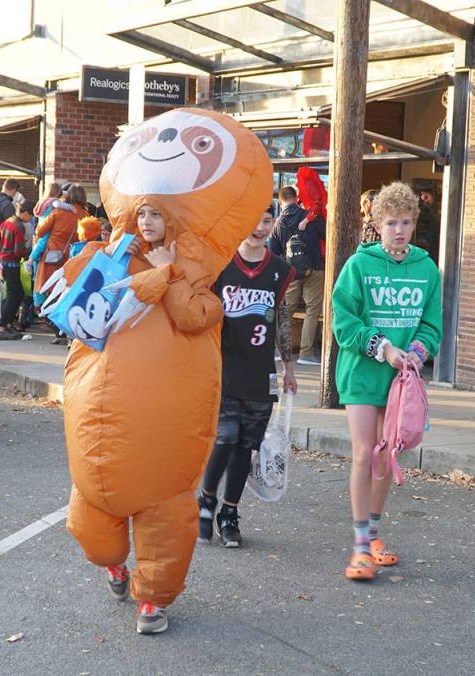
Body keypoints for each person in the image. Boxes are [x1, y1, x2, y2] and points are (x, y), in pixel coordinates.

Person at [58, 109, 271, 635]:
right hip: (98, 410)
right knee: (92, 521)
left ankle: (152, 600)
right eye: (143, 213)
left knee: (164, 514)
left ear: (172, 224)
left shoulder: (195, 278)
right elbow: (74, 304)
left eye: (158, 215)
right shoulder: (109, 259)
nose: (148, 222)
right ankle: (111, 564)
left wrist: (166, 276)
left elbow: (196, 317)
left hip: (163, 426)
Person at [331, 181, 442, 580]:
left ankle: (374, 533)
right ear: (377, 225)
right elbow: (344, 323)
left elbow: (432, 325)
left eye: (406, 222)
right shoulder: (359, 266)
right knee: (364, 453)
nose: (399, 229)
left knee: (385, 457)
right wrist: (383, 348)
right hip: (362, 373)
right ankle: (359, 545)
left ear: (414, 224)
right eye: (391, 222)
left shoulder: (427, 269)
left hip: (400, 382)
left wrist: (416, 352)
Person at [198, 205, 297, 548]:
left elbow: (282, 320)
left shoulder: (279, 270)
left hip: (260, 372)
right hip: (224, 367)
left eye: (267, 220)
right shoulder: (220, 266)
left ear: (274, 223)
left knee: (245, 446)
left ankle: (229, 512)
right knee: (224, 437)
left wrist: (289, 367)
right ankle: (207, 498)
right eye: (252, 220)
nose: (259, 227)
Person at [268, 185, 327, 366]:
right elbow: (327, 234)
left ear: (281, 200)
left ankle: (279, 350)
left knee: (286, 311)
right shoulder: (308, 216)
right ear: (296, 197)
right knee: (312, 310)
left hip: (290, 272)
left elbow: (272, 251)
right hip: (315, 268)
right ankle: (306, 354)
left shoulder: (277, 223)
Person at [33, 184, 88, 298]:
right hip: (72, 258)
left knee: (48, 289)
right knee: (65, 291)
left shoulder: (58, 212)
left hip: (51, 257)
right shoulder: (85, 215)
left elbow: (39, 232)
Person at [0, 199, 33, 340]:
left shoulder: (7, 221)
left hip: (3, 261)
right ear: (26, 213)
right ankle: (3, 325)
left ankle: (8, 323)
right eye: (30, 215)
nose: (30, 219)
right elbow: (18, 250)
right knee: (15, 294)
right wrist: (29, 252)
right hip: (12, 263)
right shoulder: (18, 226)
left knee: (13, 293)